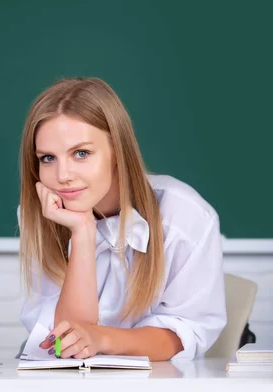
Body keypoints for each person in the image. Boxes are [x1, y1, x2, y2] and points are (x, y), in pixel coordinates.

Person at [17, 77, 226, 361]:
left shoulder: (183, 216)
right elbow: (65, 343)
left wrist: (100, 338)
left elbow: (181, 336)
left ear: (117, 150)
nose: (63, 176)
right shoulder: (45, 213)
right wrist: (82, 231)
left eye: (81, 153)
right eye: (47, 159)